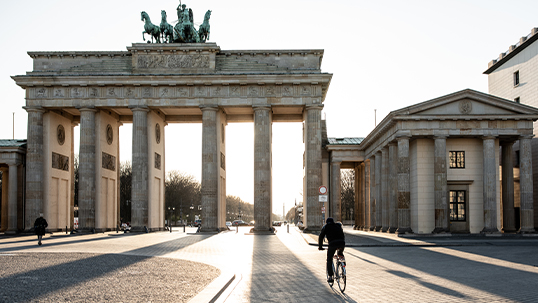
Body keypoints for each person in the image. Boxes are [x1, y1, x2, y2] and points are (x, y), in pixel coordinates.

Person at [318, 217, 345, 283]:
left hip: (332, 244)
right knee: (340, 253)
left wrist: (320, 247)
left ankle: (330, 276)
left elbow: (321, 237)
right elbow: (343, 235)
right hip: (342, 243)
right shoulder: (338, 225)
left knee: (329, 259)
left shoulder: (326, 227)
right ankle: (343, 264)